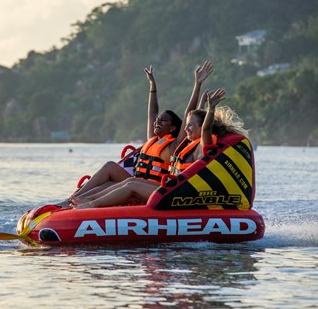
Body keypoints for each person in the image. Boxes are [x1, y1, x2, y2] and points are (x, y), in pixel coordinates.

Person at [55, 60, 213, 207]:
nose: (157, 121)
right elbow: (152, 112)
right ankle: (72, 200)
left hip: (153, 189)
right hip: (137, 182)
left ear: (173, 128)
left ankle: (87, 205)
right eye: (158, 120)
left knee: (128, 183)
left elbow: (188, 113)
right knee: (110, 173)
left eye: (163, 120)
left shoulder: (173, 145)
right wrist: (152, 85)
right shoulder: (153, 140)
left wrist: (197, 84)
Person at [73, 88, 248, 209]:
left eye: (190, 126)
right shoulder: (186, 144)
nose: (186, 129)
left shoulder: (203, 144)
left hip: (177, 194)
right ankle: (85, 200)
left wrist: (210, 109)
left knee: (131, 185)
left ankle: (90, 205)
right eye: (185, 126)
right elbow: (183, 113)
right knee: (129, 181)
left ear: (200, 129)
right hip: (172, 189)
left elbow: (206, 128)